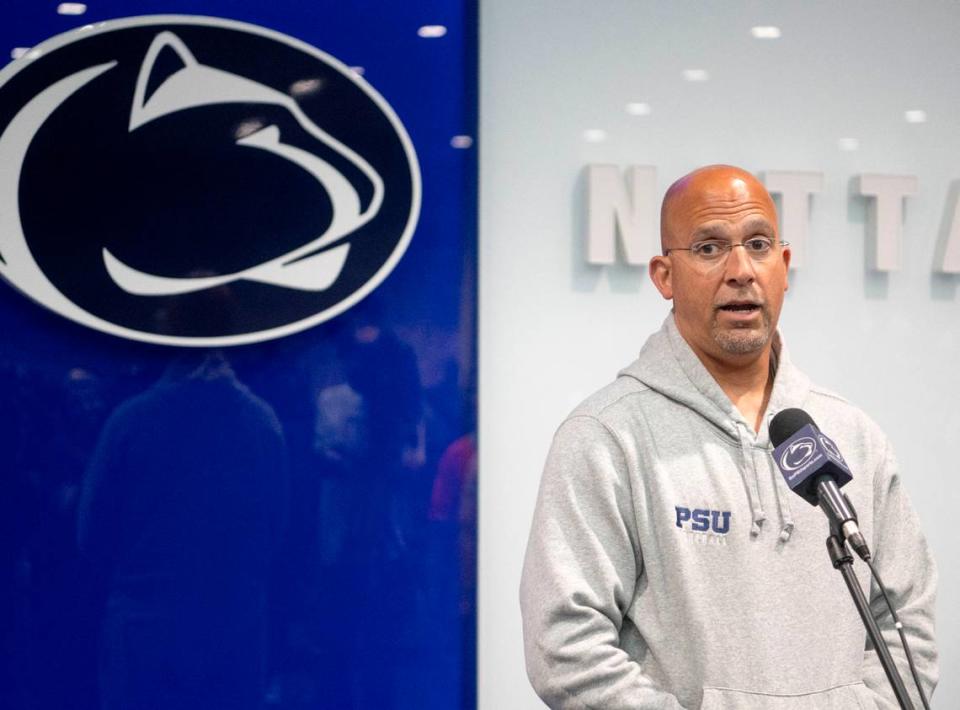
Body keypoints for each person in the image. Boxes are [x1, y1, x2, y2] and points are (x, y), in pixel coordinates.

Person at [519, 165, 938, 709]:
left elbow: (906, 625)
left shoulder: (852, 434)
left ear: (783, 267)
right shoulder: (606, 436)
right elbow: (566, 647)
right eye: (710, 248)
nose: (741, 270)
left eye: (758, 244)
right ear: (664, 275)